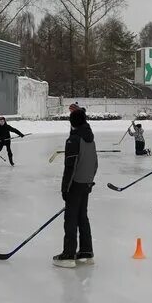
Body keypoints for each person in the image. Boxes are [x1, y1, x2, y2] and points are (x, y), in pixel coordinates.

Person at [54, 107, 97, 268]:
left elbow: (70, 167)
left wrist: (65, 188)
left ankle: (69, 254)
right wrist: (89, 181)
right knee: (82, 217)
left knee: (70, 219)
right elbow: (95, 163)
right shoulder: (90, 139)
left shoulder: (73, 140)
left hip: (75, 184)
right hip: (86, 183)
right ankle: (86, 251)